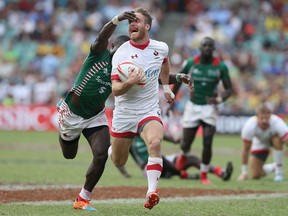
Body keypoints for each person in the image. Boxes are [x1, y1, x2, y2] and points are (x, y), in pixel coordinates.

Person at [57, 11, 137, 211]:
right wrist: (116, 20)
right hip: (73, 114)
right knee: (69, 155)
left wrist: (177, 78)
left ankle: (83, 199)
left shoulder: (123, 70)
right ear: (112, 47)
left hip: (96, 115)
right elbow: (101, 37)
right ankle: (63, 123)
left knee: (101, 155)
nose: (122, 54)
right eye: (120, 49)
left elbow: (152, 78)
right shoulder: (98, 54)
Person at [109, 7, 175, 210]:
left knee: (155, 143)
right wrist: (130, 82)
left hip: (148, 110)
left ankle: (151, 191)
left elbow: (165, 64)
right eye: (129, 22)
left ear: (147, 26)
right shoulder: (120, 53)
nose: (132, 25)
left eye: (136, 21)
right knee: (119, 161)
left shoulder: (161, 47)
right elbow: (116, 90)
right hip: (125, 113)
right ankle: (112, 149)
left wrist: (165, 87)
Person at [168, 37, 233, 185]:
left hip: (210, 107)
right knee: (185, 144)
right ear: (200, 48)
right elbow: (178, 79)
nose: (207, 48)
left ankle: (204, 174)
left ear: (214, 49)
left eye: (210, 46)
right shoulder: (191, 63)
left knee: (208, 141)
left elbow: (229, 89)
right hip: (193, 106)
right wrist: (172, 98)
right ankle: (183, 154)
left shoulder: (220, 66)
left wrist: (219, 99)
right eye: (205, 45)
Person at [118, 136, 233, 181]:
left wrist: (174, 140)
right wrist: (125, 174)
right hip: (148, 168)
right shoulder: (128, 141)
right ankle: (184, 175)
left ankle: (220, 172)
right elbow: (116, 156)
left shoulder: (144, 130)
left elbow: (159, 134)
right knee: (161, 159)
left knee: (191, 158)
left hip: (164, 162)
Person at [237, 103, 288, 182]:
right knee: (255, 174)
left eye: (267, 118)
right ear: (257, 117)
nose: (264, 121)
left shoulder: (277, 123)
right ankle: (273, 167)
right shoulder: (249, 126)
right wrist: (244, 172)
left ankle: (279, 172)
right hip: (260, 142)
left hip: (273, 140)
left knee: (277, 139)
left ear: (270, 117)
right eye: (261, 118)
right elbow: (245, 150)